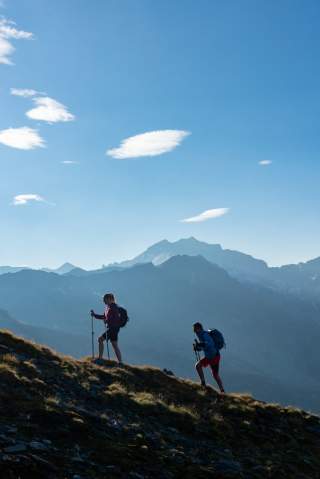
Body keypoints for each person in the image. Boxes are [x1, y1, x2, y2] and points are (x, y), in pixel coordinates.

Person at [193, 322, 225, 393]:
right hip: (213, 356)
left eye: (195, 329)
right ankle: (221, 390)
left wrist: (201, 344)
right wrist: (198, 347)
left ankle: (203, 383)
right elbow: (205, 346)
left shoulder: (205, 335)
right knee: (214, 374)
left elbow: (210, 344)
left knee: (213, 374)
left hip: (213, 356)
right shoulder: (201, 335)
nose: (194, 331)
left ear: (199, 328)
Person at [91, 293, 122, 364]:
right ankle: (120, 362)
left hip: (112, 329)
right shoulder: (109, 307)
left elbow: (114, 318)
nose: (104, 302)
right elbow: (104, 317)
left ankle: (100, 358)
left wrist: (107, 321)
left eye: (105, 300)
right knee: (114, 345)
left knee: (100, 339)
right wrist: (95, 315)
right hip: (114, 329)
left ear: (109, 299)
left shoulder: (113, 307)